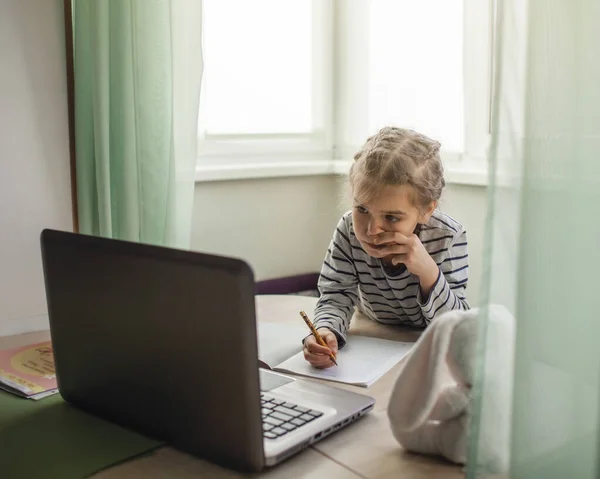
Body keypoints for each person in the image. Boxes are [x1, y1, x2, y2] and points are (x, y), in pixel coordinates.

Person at [304, 127, 470, 368]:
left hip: (424, 352)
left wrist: (428, 273)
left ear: (427, 210)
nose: (372, 230)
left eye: (391, 218)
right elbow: (336, 295)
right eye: (362, 210)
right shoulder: (349, 229)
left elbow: (456, 327)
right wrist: (325, 330)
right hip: (371, 338)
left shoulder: (448, 237)